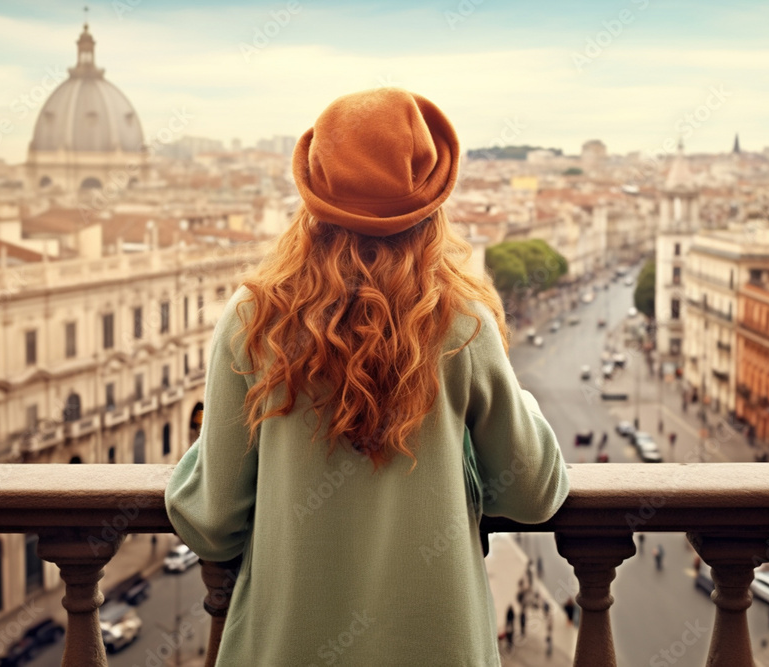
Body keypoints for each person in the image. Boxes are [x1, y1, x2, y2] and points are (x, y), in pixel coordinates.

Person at [164, 88, 570, 666]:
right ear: (430, 206)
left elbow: (210, 521)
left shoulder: (252, 320)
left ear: (313, 200)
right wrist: (513, 393)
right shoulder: (463, 324)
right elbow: (533, 495)